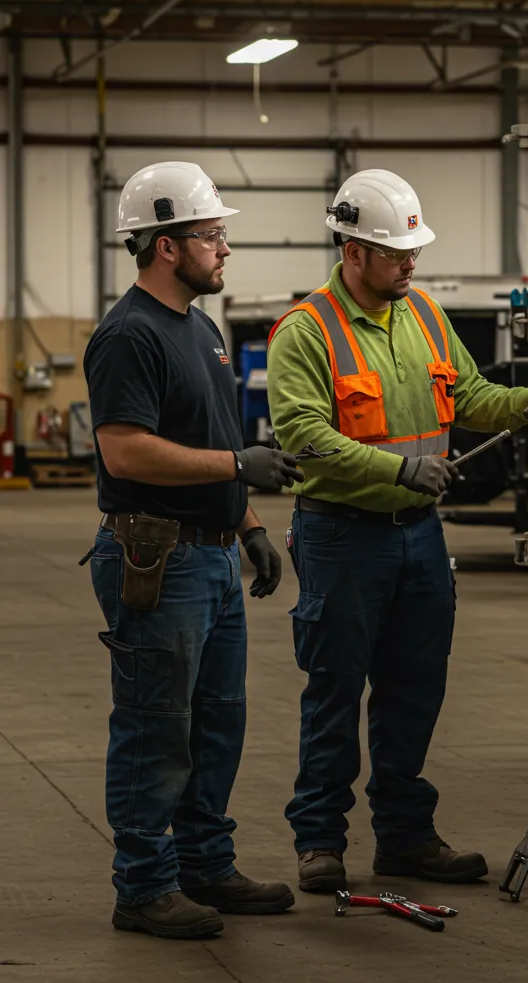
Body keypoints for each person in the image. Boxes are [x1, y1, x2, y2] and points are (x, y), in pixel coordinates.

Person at [266, 169, 528, 895]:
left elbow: (468, 396)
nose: (412, 262)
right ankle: (320, 841)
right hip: (342, 537)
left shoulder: (426, 315)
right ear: (352, 252)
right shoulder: (305, 332)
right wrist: (397, 473)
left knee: (413, 690)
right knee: (335, 691)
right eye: (396, 252)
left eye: (413, 251)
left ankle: (404, 836)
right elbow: (304, 438)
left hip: (418, 541)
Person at [83, 161, 305, 939]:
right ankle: (143, 887)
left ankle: (206, 865)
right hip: (157, 559)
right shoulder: (127, 335)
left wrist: (245, 527)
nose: (226, 250)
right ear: (166, 246)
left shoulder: (201, 329)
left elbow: (207, 440)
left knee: (217, 721)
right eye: (214, 236)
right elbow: (126, 454)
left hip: (208, 556)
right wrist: (237, 468)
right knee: (155, 726)